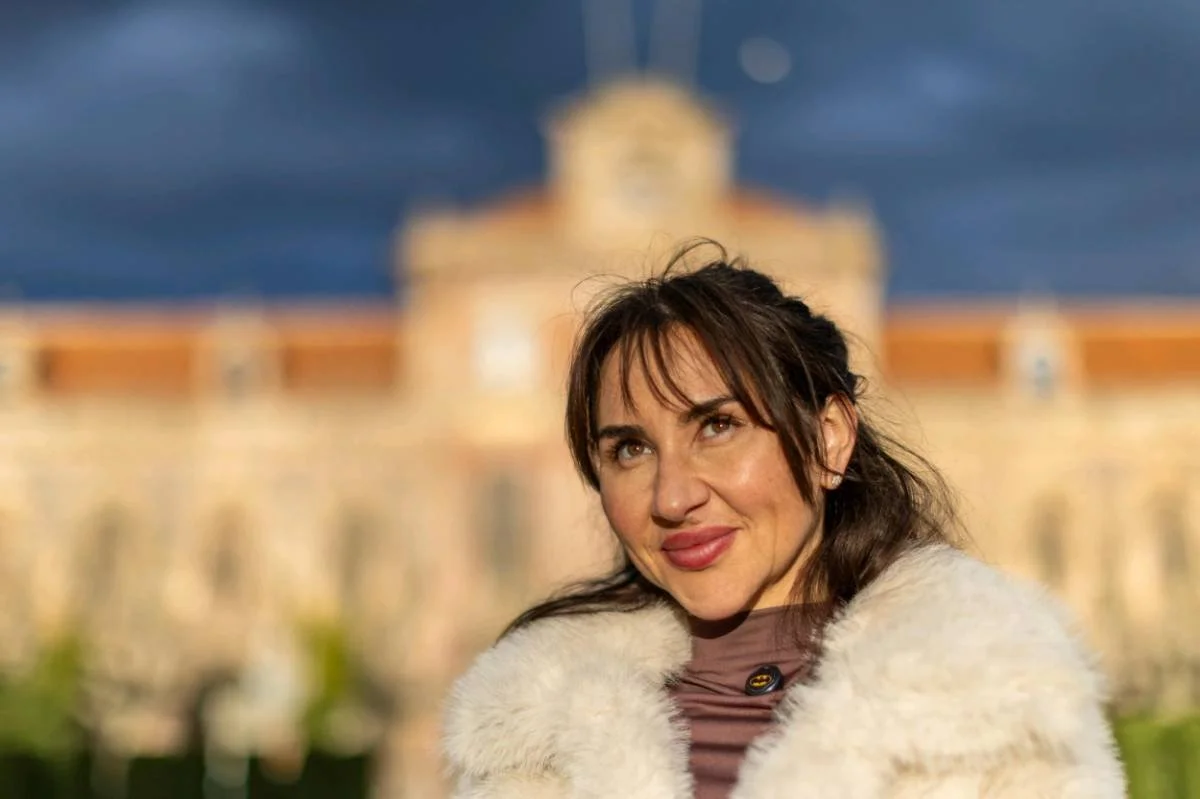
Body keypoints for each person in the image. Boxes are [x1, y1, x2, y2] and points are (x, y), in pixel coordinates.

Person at [442, 244, 1126, 798]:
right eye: (630, 448)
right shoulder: (530, 729)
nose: (672, 497)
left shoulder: (995, 702)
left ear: (829, 440)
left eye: (717, 426)